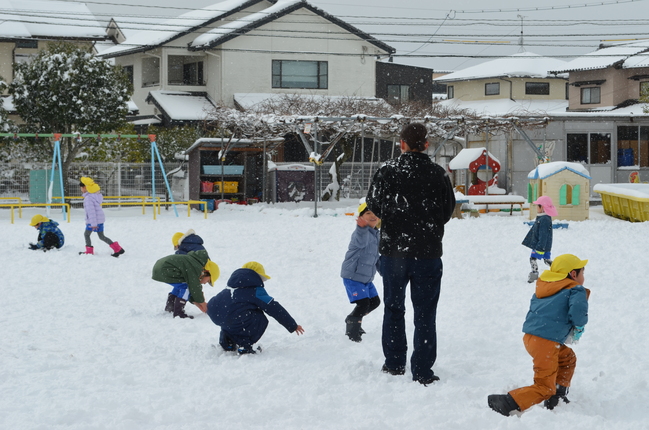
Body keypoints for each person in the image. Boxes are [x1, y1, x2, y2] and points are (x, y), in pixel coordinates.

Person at [366, 122, 455, 386]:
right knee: (425, 312)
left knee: (394, 308)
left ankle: (394, 363)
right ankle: (422, 370)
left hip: (394, 252)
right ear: (426, 144)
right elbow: (447, 210)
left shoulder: (387, 171)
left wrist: (397, 218)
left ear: (401, 144)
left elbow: (374, 205)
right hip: (427, 253)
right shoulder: (437, 173)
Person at [488, 254, 590, 416]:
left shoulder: (546, 286)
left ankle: (558, 395)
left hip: (532, 337)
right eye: (582, 273)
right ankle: (507, 402)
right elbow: (578, 311)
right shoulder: (575, 289)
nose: (583, 277)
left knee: (567, 358)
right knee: (544, 387)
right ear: (573, 274)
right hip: (546, 343)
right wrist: (579, 325)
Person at [207, 262, 304, 354]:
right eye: (263, 279)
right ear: (256, 276)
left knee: (231, 317)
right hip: (233, 316)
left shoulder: (231, 286)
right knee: (259, 318)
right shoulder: (255, 290)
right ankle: (245, 346)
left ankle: (227, 342)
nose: (263, 282)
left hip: (216, 313)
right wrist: (292, 325)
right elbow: (273, 308)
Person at [340, 200, 381, 342]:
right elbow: (361, 242)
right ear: (361, 217)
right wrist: (361, 228)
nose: (372, 216)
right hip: (353, 276)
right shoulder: (360, 233)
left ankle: (353, 318)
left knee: (374, 302)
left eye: (375, 213)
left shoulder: (377, 235)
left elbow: (377, 257)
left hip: (366, 278)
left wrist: (385, 271)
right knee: (363, 304)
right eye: (368, 213)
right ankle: (353, 330)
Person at [151, 249, 219, 319]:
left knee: (182, 285)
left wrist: (198, 303)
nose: (205, 283)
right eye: (208, 281)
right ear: (207, 272)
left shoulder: (194, 262)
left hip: (161, 268)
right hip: (165, 269)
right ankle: (178, 312)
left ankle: (170, 307)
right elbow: (194, 287)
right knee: (186, 288)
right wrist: (203, 303)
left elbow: (193, 288)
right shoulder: (196, 267)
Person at [78, 177, 125, 257]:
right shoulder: (96, 196)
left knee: (86, 234)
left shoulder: (88, 198)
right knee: (102, 236)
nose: (81, 190)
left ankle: (89, 251)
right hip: (100, 220)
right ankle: (118, 248)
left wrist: (93, 224)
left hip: (93, 221)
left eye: (81, 188)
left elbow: (91, 212)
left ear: (85, 188)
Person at [523, 195, 557, 283]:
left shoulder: (544, 219)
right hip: (543, 245)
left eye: (537, 206)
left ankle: (534, 274)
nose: (536, 208)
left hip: (540, 245)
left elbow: (543, 234)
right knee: (547, 260)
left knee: (533, 259)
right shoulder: (542, 217)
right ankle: (558, 271)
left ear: (542, 207)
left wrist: (540, 247)